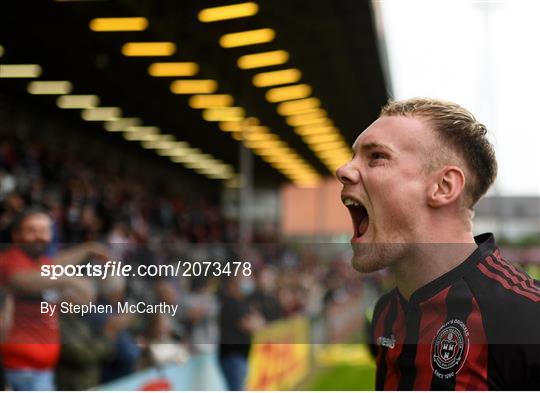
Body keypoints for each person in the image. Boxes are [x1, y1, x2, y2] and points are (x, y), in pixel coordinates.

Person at [336, 98, 540, 390]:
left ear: (444, 187)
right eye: (353, 156)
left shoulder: (527, 319)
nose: (343, 170)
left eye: (377, 156)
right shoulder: (386, 313)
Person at [0, 208, 97, 390]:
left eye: (44, 231)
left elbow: (74, 300)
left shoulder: (43, 264)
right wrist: (69, 279)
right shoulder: (10, 260)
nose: (39, 237)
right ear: (15, 235)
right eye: (31, 230)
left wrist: (79, 294)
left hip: (43, 369)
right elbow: (23, 280)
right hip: (18, 370)